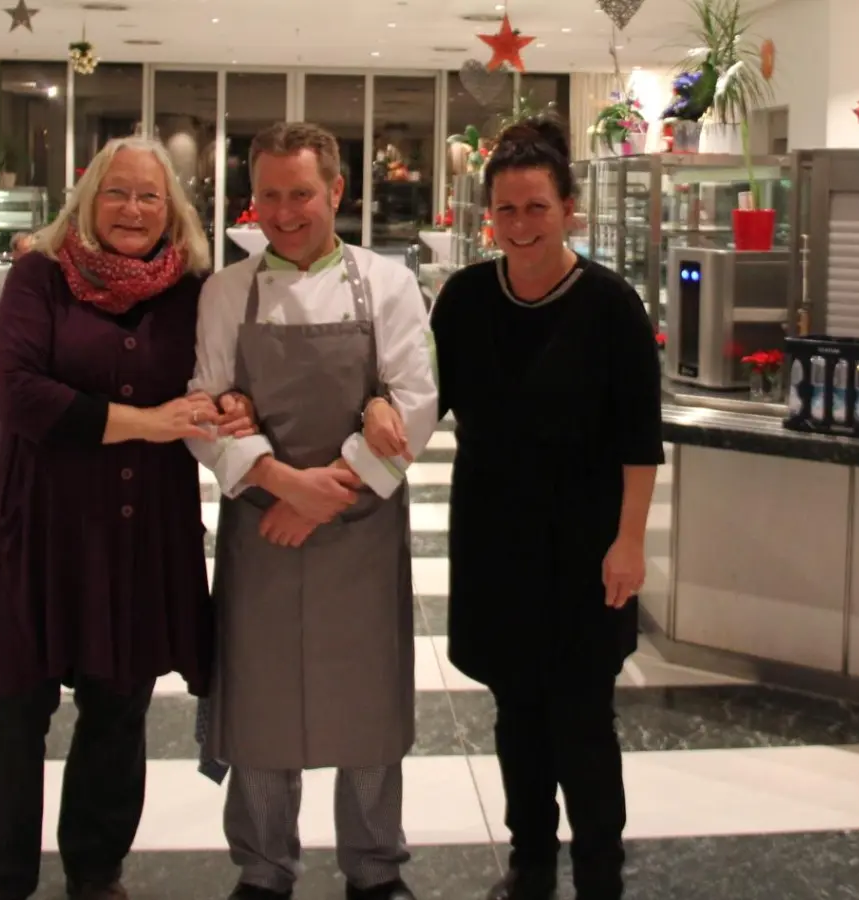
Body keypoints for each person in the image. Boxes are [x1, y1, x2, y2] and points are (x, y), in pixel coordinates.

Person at [0, 135, 255, 900]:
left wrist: (230, 404)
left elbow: (220, 378)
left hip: (137, 529)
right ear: (87, 201)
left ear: (171, 209)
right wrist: (150, 423)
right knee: (10, 707)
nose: (132, 209)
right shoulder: (38, 277)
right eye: (117, 193)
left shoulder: (191, 289)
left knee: (118, 707)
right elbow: (19, 395)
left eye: (149, 197)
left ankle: (96, 871)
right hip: (39, 526)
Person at [186, 121, 438, 900]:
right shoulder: (227, 290)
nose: (285, 212)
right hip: (263, 527)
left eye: (301, 194)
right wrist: (283, 485)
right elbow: (204, 411)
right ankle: (263, 871)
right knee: (261, 707)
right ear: (250, 199)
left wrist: (328, 494)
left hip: (358, 530)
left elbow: (417, 404)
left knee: (365, 704)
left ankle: (373, 868)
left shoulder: (388, 283)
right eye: (269, 195)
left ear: (336, 191)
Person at [426, 116, 663, 900]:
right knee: (514, 708)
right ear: (485, 215)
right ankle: (530, 856)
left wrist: (630, 542)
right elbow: (423, 401)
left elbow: (639, 440)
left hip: (587, 542)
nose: (521, 225)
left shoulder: (611, 306)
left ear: (570, 209)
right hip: (494, 538)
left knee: (582, 714)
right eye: (506, 210)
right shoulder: (462, 301)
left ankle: (599, 867)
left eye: (537, 207)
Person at [0, 231, 36, 301]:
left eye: (34, 251)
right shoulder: (0, 277)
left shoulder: (46, 278)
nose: (31, 256)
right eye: (26, 251)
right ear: (14, 253)